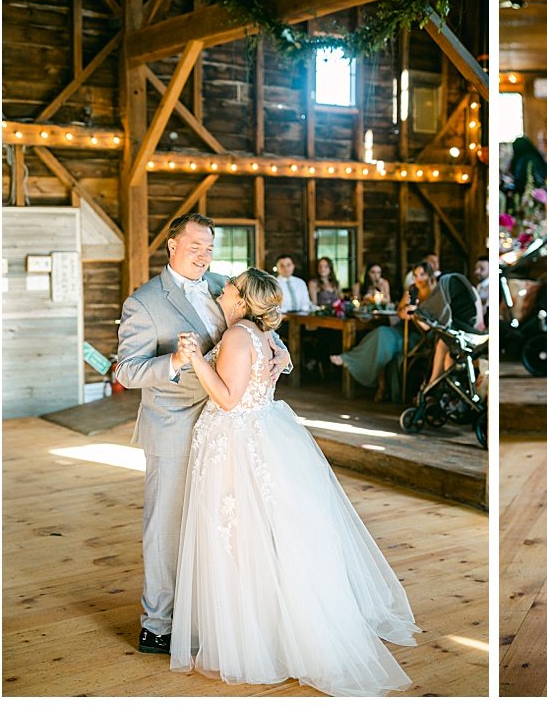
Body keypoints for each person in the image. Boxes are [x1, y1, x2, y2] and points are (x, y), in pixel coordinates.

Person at [170, 267, 418, 697]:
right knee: (268, 535)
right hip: (264, 433)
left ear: (243, 298)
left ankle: (255, 638)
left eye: (231, 286)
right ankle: (278, 625)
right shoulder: (263, 336)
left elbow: (228, 399)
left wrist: (193, 358)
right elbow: (274, 362)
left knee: (240, 538)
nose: (223, 287)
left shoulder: (235, 337)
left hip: (237, 441)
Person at [113, 213, 290, 658]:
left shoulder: (223, 287)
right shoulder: (144, 302)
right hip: (172, 425)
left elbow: (260, 327)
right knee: (166, 527)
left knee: (219, 522)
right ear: (171, 245)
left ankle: (207, 613)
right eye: (195, 247)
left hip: (224, 428)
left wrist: (280, 355)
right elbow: (126, 370)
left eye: (210, 248)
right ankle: (157, 624)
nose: (204, 256)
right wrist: (173, 362)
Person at [332, 261, 436, 395]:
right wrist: (404, 307)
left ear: (429, 275)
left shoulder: (435, 293)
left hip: (420, 335)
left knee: (385, 339)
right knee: (381, 332)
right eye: (415, 275)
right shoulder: (412, 289)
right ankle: (352, 360)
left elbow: (433, 319)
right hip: (403, 327)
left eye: (422, 275)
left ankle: (349, 360)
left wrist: (415, 314)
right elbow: (400, 311)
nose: (419, 279)